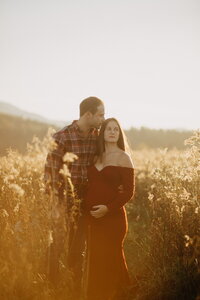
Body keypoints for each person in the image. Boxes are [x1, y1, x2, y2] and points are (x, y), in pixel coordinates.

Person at [44, 96, 105, 297]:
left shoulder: (98, 136)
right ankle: (51, 287)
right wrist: (55, 203)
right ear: (88, 114)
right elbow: (50, 174)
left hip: (85, 199)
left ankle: (74, 288)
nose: (103, 119)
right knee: (57, 243)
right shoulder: (61, 137)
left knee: (78, 245)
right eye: (100, 114)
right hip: (63, 196)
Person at [84, 118, 135, 300]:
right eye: (108, 129)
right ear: (102, 133)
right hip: (93, 219)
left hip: (113, 219)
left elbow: (129, 192)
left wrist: (108, 208)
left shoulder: (124, 157)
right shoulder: (95, 156)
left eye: (116, 129)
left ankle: (124, 294)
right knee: (97, 259)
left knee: (113, 257)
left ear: (120, 134)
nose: (112, 132)